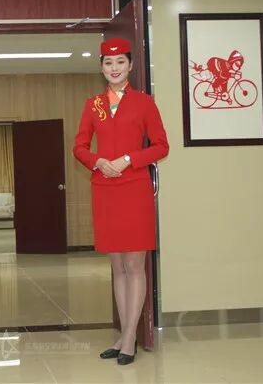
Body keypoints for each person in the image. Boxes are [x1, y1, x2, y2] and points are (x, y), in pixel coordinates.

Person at [73, 38, 169, 365]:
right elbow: (79, 146)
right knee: (117, 267)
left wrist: (129, 159)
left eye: (120, 62)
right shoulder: (93, 104)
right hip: (105, 189)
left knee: (134, 266)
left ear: (130, 65)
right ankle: (125, 334)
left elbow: (161, 146)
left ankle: (129, 338)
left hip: (134, 188)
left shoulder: (145, 103)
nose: (114, 68)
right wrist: (97, 161)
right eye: (108, 63)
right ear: (101, 67)